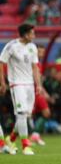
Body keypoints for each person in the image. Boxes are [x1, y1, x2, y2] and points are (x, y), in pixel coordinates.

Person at [0, 23, 43, 155]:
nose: (34, 36)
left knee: (25, 115)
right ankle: (25, 145)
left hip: (29, 84)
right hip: (17, 84)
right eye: (32, 33)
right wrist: (3, 83)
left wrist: (39, 84)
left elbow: (35, 67)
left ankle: (11, 139)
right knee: (22, 114)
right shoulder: (12, 46)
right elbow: (1, 63)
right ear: (25, 34)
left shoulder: (32, 47)